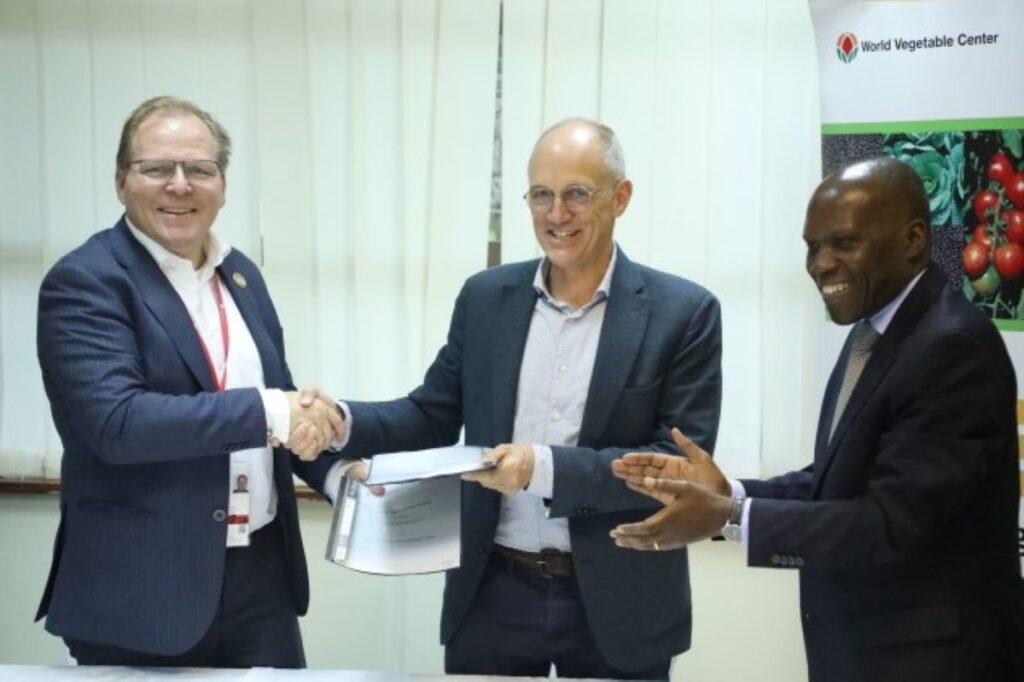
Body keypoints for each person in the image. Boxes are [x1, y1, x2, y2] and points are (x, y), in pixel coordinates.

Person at [324, 118, 722, 678]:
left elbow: (676, 468)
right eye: (541, 195)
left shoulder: (683, 312)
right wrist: (340, 419)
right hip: (494, 592)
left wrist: (542, 469)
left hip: (618, 597)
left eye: (577, 194)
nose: (556, 215)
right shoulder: (487, 298)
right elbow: (430, 413)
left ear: (621, 197)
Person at [610, 157, 1024, 682]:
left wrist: (727, 518)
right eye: (812, 246)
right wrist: (730, 493)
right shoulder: (877, 328)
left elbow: (887, 523)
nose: (820, 264)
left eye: (844, 243)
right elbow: (837, 484)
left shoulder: (951, 347)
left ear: (914, 238)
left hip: (932, 661)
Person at [35, 96, 344, 668]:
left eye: (199, 169)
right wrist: (275, 412)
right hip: (142, 592)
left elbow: (282, 406)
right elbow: (118, 424)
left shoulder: (242, 274)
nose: (181, 185)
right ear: (121, 181)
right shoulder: (87, 280)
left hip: (261, 581)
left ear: (222, 184)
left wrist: (341, 472)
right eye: (158, 168)